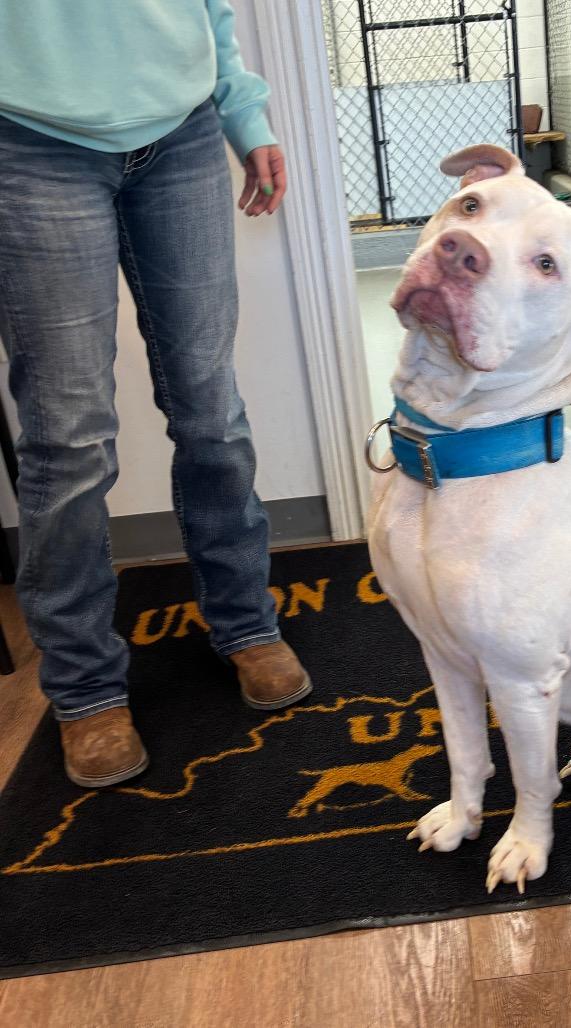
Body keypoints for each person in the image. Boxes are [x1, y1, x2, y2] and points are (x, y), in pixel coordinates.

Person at [0, 1, 313, 788]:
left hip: (183, 129)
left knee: (211, 407)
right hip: (26, 140)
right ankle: (84, 689)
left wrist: (246, 109)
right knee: (68, 436)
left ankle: (246, 624)